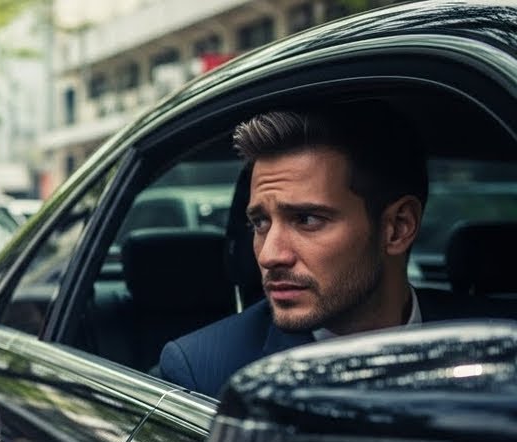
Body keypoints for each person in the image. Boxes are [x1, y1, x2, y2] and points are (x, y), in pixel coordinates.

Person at [157, 103, 499, 397]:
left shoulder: (499, 340)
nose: (268, 255)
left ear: (397, 227)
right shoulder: (207, 373)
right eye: (260, 223)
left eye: (306, 219)